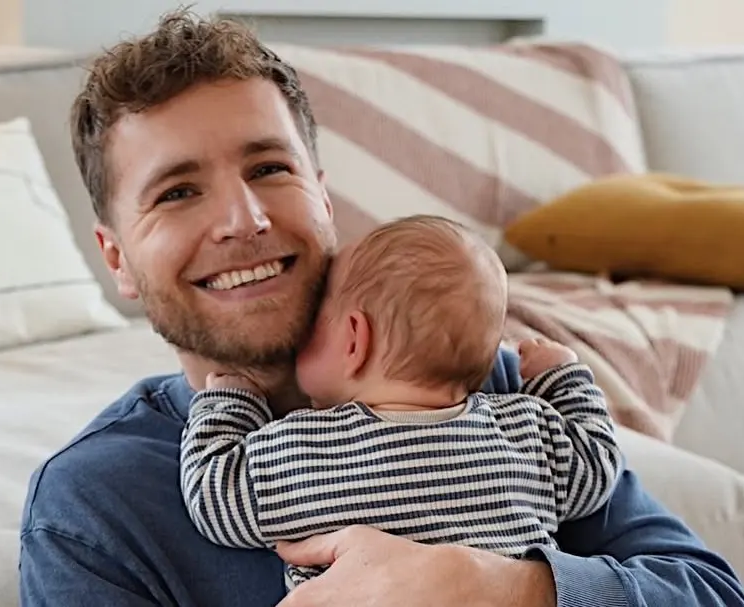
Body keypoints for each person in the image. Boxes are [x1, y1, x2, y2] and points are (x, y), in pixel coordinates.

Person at [18, 8, 744, 607]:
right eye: (178, 191)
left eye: (270, 168)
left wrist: (505, 587)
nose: (243, 219)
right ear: (116, 257)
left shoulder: (490, 389)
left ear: (324, 198)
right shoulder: (93, 506)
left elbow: (715, 594)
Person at [179, 215, 624, 590]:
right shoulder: (527, 430)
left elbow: (214, 497)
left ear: (354, 338)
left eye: (315, 317)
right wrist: (560, 375)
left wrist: (230, 402)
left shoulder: (306, 449)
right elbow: (599, 461)